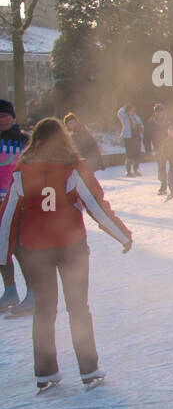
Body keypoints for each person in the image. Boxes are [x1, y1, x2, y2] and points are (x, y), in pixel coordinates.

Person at [0, 117, 133, 391]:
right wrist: (122, 234)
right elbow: (96, 205)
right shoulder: (73, 168)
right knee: (78, 308)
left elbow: (9, 215)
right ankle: (89, 369)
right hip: (71, 247)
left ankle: (45, 372)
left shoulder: (22, 170)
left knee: (44, 311)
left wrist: (3, 254)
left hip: (36, 250)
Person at [0, 99, 33, 313]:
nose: (1, 119)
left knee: (21, 248)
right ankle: (10, 290)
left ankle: (33, 292)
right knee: (1, 248)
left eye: (4, 115)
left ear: (13, 117)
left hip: (20, 202)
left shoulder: (25, 141)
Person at [143, 103, 169, 195]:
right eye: (157, 112)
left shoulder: (169, 121)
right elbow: (146, 137)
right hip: (158, 148)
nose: (159, 114)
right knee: (161, 167)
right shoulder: (150, 123)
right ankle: (163, 185)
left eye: (160, 112)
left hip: (171, 147)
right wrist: (148, 149)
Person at [117, 103, 144, 176]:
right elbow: (119, 112)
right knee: (129, 155)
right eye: (131, 110)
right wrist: (125, 107)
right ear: (127, 110)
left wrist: (140, 127)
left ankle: (136, 170)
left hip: (136, 137)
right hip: (129, 137)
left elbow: (141, 124)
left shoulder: (136, 117)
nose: (132, 111)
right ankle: (128, 171)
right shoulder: (125, 117)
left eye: (133, 110)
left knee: (137, 155)